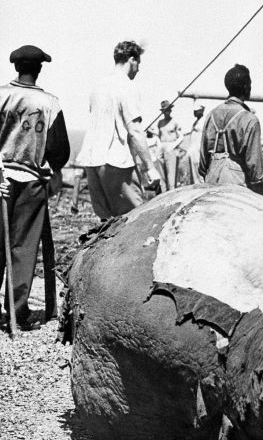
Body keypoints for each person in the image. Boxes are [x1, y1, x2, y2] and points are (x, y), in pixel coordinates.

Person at [0, 45, 69, 330]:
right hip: (31, 183)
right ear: (39, 69)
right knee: (23, 247)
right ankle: (17, 310)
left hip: (1, 179)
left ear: (17, 67)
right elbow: (59, 150)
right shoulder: (49, 103)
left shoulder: (1, 94)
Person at [73, 40, 155, 218]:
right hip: (116, 161)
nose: (138, 69)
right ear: (132, 59)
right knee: (135, 218)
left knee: (106, 222)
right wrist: (150, 167)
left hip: (93, 161)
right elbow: (135, 130)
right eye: (138, 64)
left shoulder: (98, 86)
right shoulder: (127, 86)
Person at [198, 64, 263, 193]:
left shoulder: (212, 115)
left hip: (211, 179)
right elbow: (255, 165)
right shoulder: (249, 118)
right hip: (237, 182)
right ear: (246, 87)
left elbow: (203, 161)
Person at [156, 100, 181, 190]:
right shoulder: (160, 123)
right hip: (161, 147)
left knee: (171, 175)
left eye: (167, 110)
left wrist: (173, 146)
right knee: (162, 176)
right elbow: (158, 136)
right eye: (164, 110)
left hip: (171, 147)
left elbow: (181, 136)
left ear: (170, 110)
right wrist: (159, 147)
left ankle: (172, 194)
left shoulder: (175, 121)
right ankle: (163, 194)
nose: (166, 112)